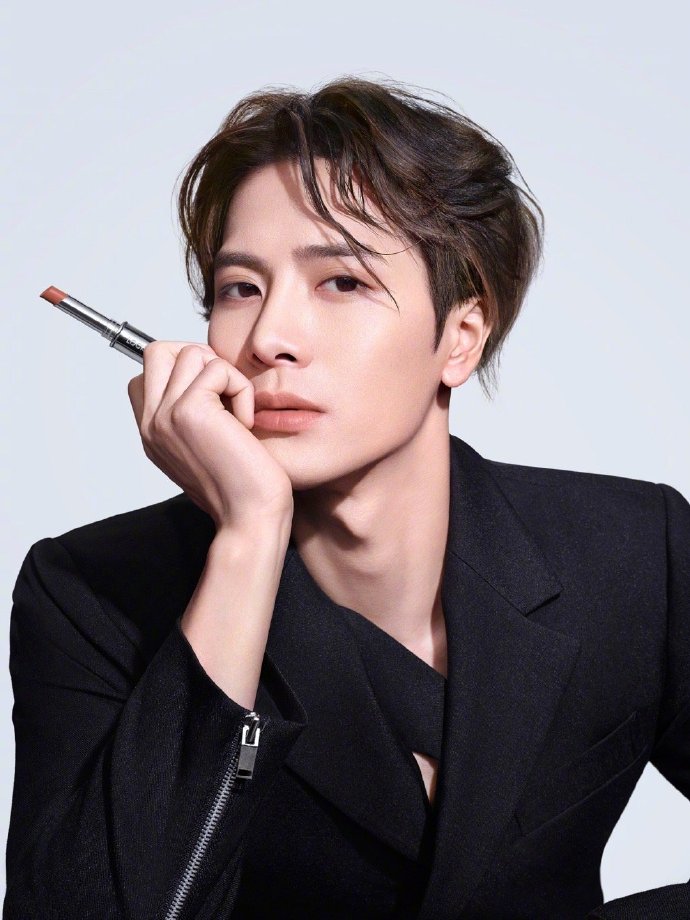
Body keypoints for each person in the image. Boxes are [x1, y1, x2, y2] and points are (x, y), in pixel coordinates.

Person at [4, 75, 689, 919]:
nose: (269, 339)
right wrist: (248, 539)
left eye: (342, 283)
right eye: (240, 288)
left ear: (460, 338)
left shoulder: (635, 552)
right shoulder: (88, 595)